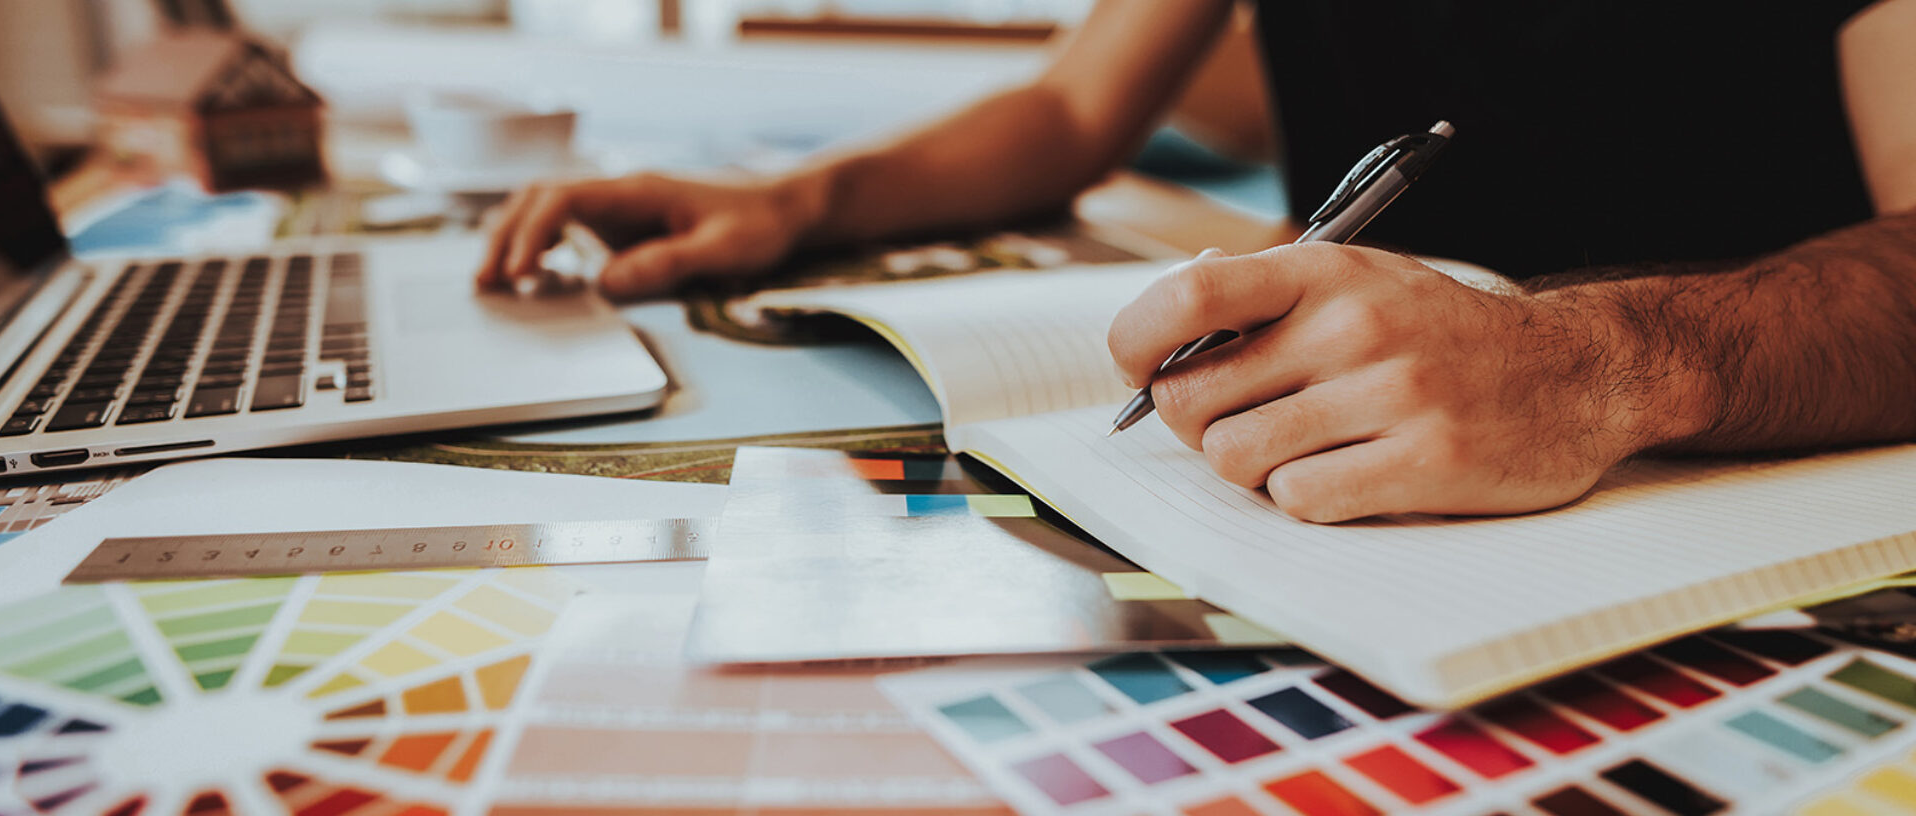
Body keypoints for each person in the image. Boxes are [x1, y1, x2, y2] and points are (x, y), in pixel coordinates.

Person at [478, 0, 1916, 523]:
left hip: (1751, 485)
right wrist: (797, 202)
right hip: (1319, 508)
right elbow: (1068, 108)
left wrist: (1594, 366)